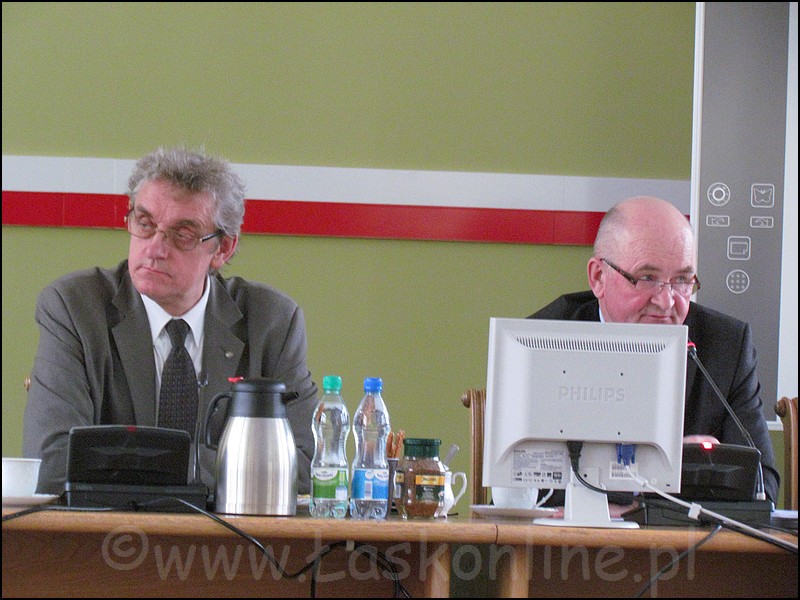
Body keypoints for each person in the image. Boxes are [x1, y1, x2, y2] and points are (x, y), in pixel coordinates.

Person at [23, 146, 318, 495]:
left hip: (229, 531)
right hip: (107, 529)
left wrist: (138, 461)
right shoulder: (74, 309)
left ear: (222, 249)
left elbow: (306, 466)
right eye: (145, 224)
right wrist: (230, 466)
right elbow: (52, 463)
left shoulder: (272, 323)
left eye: (183, 234)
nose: (154, 248)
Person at [530, 196, 779, 506]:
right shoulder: (541, 343)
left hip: (684, 537)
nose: (667, 301)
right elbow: (526, 489)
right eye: (647, 278)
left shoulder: (725, 345)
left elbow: (762, 485)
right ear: (598, 278)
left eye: (682, 280)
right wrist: (663, 468)